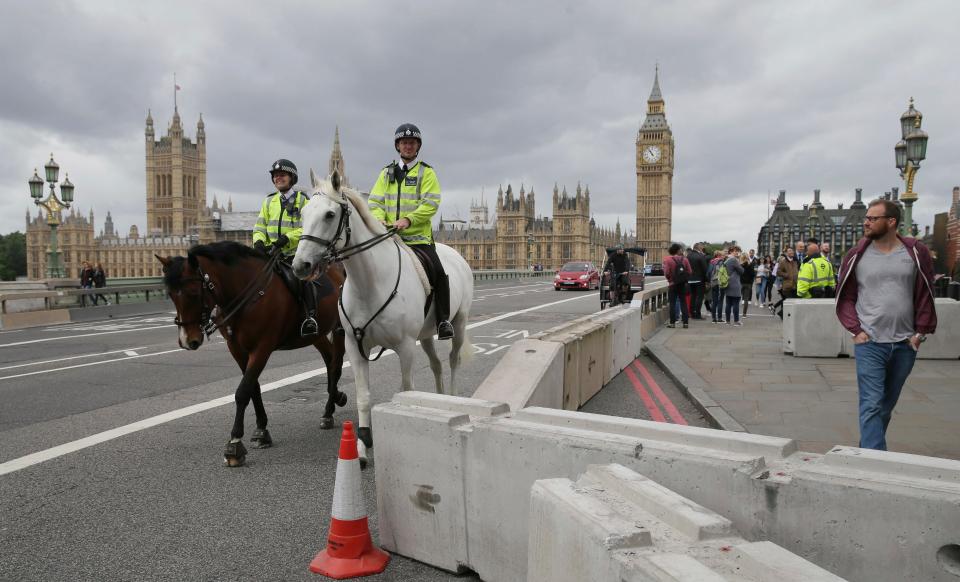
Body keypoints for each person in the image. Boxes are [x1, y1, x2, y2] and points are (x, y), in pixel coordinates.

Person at [836, 199, 937, 451]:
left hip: (904, 343)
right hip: (869, 342)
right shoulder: (856, 255)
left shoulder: (915, 252)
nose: (866, 222)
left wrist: (919, 334)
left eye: (872, 218)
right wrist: (856, 330)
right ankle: (875, 463)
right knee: (871, 403)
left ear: (891, 222)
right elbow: (845, 296)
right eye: (866, 218)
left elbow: (926, 292)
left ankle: (866, 450)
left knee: (885, 406)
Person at [369, 123, 453, 340]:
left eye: (412, 143)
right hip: (388, 238)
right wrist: (379, 218)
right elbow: (375, 201)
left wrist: (408, 219)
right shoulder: (385, 173)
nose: (408, 146)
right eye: (404, 143)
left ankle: (443, 320)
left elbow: (430, 203)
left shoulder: (427, 172)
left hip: (417, 239)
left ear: (418, 146)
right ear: (398, 146)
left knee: (439, 273)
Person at [252, 158, 319, 336]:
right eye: (275, 176)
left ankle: (310, 317)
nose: (278, 179)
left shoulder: (303, 201)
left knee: (301, 279)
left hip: (293, 254)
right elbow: (260, 226)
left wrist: (286, 239)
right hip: (270, 254)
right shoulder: (268, 202)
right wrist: (258, 242)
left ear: (292, 178)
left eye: (282, 175)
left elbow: (307, 229)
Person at [664, 242, 691, 328]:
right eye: (680, 249)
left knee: (672, 303)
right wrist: (684, 278)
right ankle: (685, 323)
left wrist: (670, 280)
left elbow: (666, 272)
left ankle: (672, 323)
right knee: (683, 303)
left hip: (672, 284)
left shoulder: (668, 260)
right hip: (682, 284)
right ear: (678, 250)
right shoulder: (685, 260)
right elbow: (690, 271)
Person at [773, 247, 799, 318]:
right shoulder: (783, 261)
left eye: (792, 251)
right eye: (789, 251)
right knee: (789, 301)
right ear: (787, 253)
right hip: (787, 285)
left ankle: (783, 314)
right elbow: (778, 272)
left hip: (795, 285)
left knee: (791, 301)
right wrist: (786, 275)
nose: (791, 252)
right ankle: (782, 314)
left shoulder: (795, 261)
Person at [686, 243, 709, 319]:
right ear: (699, 248)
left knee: (693, 296)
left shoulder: (688, 256)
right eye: (702, 248)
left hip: (690, 280)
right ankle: (697, 314)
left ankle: (692, 313)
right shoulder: (701, 256)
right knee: (700, 297)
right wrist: (707, 280)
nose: (702, 249)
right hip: (699, 280)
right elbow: (705, 269)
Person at [723, 247, 744, 325]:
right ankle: (736, 321)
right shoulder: (734, 260)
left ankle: (727, 321)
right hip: (734, 283)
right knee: (736, 302)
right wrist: (740, 263)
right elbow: (742, 271)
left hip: (727, 282)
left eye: (738, 251)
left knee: (728, 303)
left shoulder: (725, 259)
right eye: (736, 251)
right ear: (731, 251)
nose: (737, 253)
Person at [707, 250, 725, 323]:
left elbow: (708, 273)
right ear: (719, 255)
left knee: (714, 301)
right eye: (722, 255)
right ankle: (719, 318)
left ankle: (713, 318)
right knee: (720, 301)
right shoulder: (720, 262)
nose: (724, 257)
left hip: (713, 283)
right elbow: (721, 272)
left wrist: (710, 280)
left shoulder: (711, 262)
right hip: (719, 283)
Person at [740, 252, 755, 317]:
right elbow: (753, 274)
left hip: (741, 283)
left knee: (737, 298)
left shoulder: (740, 265)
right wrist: (751, 282)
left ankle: (736, 313)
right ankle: (744, 314)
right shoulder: (750, 265)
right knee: (746, 299)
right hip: (748, 284)